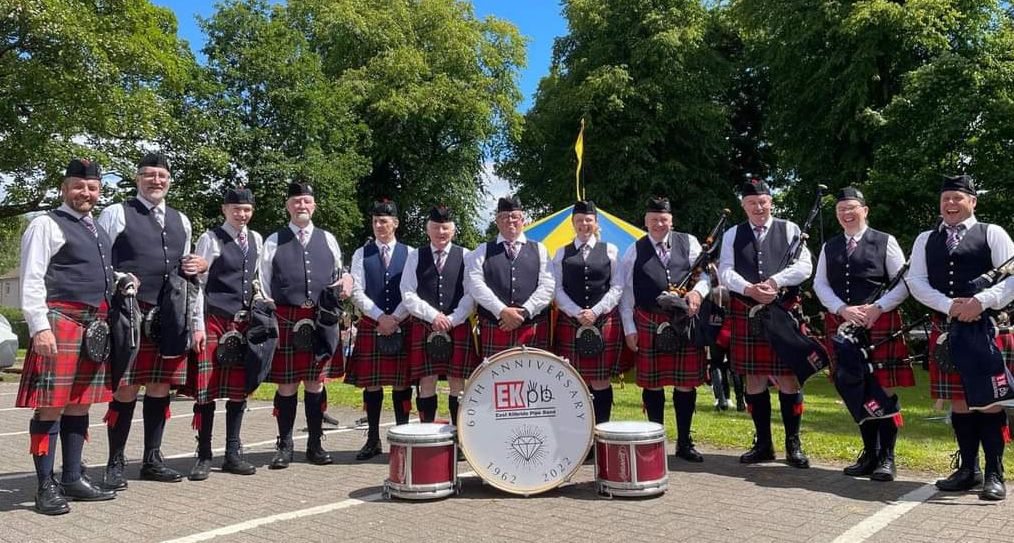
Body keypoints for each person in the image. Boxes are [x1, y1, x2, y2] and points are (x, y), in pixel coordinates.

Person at [97, 153, 207, 488]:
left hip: (169, 316)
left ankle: (152, 458)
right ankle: (115, 461)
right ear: (137, 179)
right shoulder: (116, 213)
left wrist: (197, 319)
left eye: (161, 176)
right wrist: (119, 279)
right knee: (126, 388)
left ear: (169, 180)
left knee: (160, 387)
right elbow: (100, 260)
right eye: (149, 175)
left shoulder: (181, 220)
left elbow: (187, 275)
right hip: (130, 313)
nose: (156, 181)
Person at [18, 159, 118, 514]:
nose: (85, 193)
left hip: (94, 327)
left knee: (80, 403)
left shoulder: (97, 229)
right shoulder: (46, 224)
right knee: (51, 406)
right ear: (64, 188)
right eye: (79, 186)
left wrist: (124, 280)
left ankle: (73, 477)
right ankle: (44, 486)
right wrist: (39, 326)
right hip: (60, 322)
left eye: (92, 188)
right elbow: (31, 278)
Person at [907, 174, 1014, 501]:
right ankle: (969, 470)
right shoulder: (926, 239)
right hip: (948, 330)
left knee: (990, 404)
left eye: (957, 198)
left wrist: (980, 302)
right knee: (961, 404)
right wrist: (949, 306)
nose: (950, 204)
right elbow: (916, 281)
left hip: (986, 329)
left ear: (972, 201)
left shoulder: (992, 233)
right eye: (945, 199)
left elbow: (1012, 277)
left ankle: (995, 474)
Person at [814, 187, 913, 481]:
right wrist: (841, 309)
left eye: (851, 208)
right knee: (854, 386)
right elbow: (820, 285)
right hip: (844, 324)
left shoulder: (886, 241)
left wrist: (877, 308)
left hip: (879, 322)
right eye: (840, 210)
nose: (846, 214)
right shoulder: (828, 247)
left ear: (864, 211)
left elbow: (904, 283)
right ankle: (869, 453)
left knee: (882, 388)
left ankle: (887, 457)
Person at [718, 179, 813, 468]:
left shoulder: (791, 229)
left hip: (782, 311)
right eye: (751, 203)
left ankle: (793, 444)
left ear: (771, 202)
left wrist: (774, 281)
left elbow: (804, 266)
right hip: (748, 311)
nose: (758, 207)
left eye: (763, 202)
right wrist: (749, 288)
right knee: (754, 378)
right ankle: (763, 444)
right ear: (743, 205)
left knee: (788, 378)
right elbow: (725, 270)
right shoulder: (733, 233)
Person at [260, 182, 345, 468]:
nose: (302, 206)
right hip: (286, 317)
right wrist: (270, 309)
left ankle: (315, 444)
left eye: (307, 201)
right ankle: (284, 445)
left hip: (320, 319)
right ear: (288, 206)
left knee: (315, 384)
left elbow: (337, 274)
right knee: (286, 384)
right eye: (296, 201)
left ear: (314, 205)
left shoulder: (328, 239)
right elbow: (262, 280)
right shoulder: (274, 240)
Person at [619, 196, 709, 461]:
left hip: (682, 320)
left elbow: (704, 275)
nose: (659, 224)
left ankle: (684, 442)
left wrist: (697, 294)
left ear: (671, 221)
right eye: (654, 220)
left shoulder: (688, 242)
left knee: (685, 385)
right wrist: (628, 328)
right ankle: (655, 440)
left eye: (664, 219)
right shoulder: (634, 250)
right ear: (646, 222)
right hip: (648, 321)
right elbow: (626, 293)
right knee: (653, 385)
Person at [181, 187, 261, 480]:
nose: (242, 215)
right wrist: (197, 325)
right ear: (224, 209)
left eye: (247, 210)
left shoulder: (256, 239)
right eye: (237, 209)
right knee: (206, 393)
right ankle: (203, 455)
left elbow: (256, 279)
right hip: (213, 318)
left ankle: (232, 453)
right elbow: (197, 284)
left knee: (238, 392)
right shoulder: (210, 238)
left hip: (242, 323)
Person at [346, 200, 414, 460]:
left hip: (401, 323)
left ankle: (403, 438)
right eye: (375, 221)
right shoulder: (361, 254)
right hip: (371, 325)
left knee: (401, 385)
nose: (378, 226)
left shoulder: (410, 253)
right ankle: (373, 439)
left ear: (395, 223)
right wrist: (379, 317)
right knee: (372, 385)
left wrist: (395, 317)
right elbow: (356, 290)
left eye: (384, 221)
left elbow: (411, 290)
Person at [400, 205, 476, 427]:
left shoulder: (466, 255)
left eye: (445, 228)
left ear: (453, 230)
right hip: (426, 325)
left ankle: (459, 434)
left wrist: (453, 319)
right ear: (428, 229)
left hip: (457, 324)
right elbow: (407, 292)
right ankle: (427, 432)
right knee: (427, 381)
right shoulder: (415, 256)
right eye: (436, 227)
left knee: (457, 382)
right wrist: (433, 316)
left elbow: (472, 293)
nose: (441, 232)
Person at [550, 201, 623, 425]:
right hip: (571, 322)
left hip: (602, 321)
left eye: (588, 220)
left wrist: (596, 311)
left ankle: (600, 432)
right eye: (579, 220)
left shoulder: (611, 250)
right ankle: (579, 435)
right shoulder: (561, 253)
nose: (584, 224)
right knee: (574, 380)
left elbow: (617, 286)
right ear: (573, 223)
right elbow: (556, 288)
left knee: (600, 380)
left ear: (596, 223)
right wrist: (576, 312)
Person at [464, 195, 555, 358]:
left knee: (534, 381)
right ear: (497, 221)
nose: (510, 220)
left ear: (523, 220)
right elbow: (475, 284)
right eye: (504, 217)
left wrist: (525, 311)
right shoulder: (482, 250)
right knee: (496, 382)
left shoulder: (540, 249)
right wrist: (502, 311)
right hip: (495, 324)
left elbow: (548, 286)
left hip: (531, 325)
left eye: (515, 216)